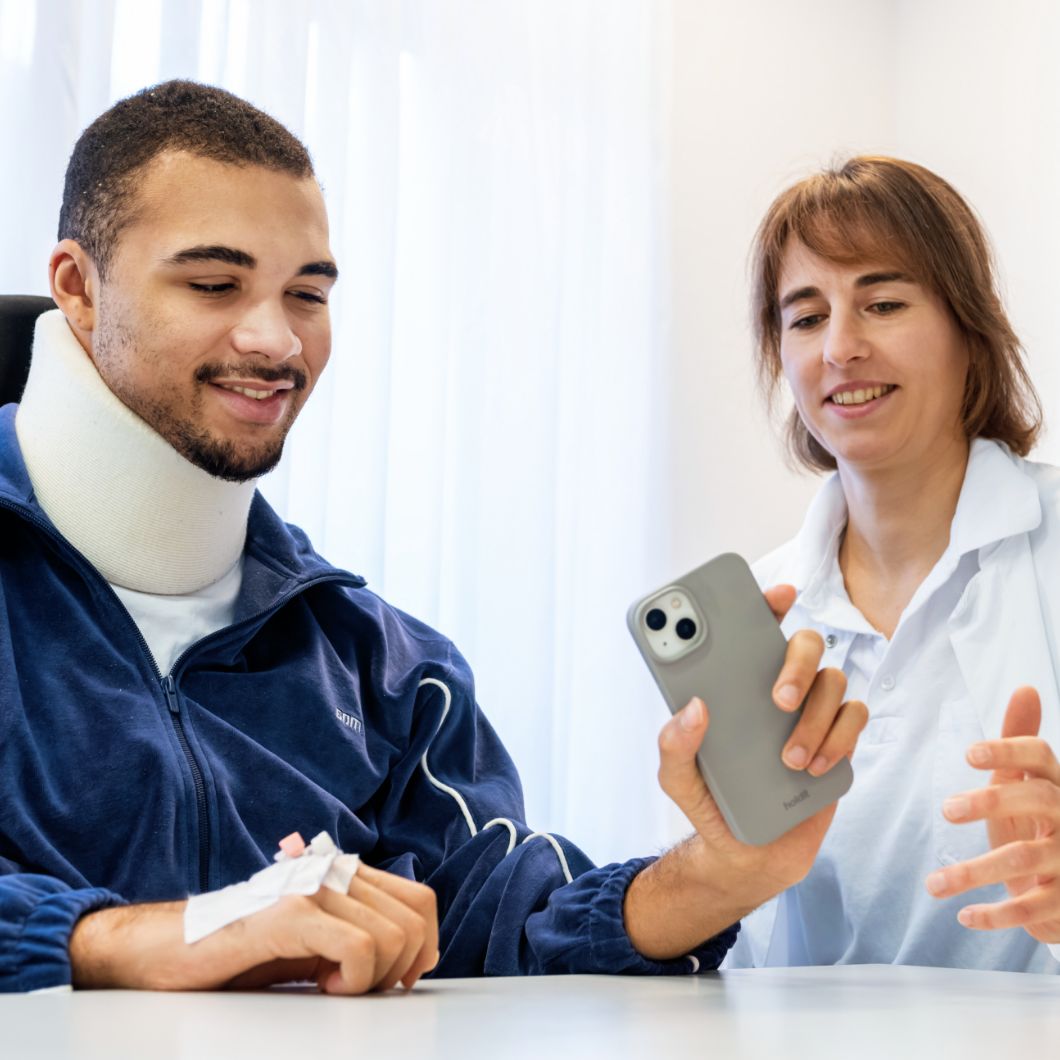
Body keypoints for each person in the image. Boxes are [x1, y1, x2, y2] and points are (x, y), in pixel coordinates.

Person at [0, 81, 864, 995]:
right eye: (214, 284)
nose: (276, 340)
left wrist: (720, 873)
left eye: (305, 294)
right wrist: (120, 939)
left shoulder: (384, 667)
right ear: (77, 289)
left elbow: (507, 924)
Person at [725, 156, 1060, 972]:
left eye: (883, 303)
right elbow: (742, 937)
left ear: (968, 329)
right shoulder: (763, 612)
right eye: (805, 318)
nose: (842, 347)